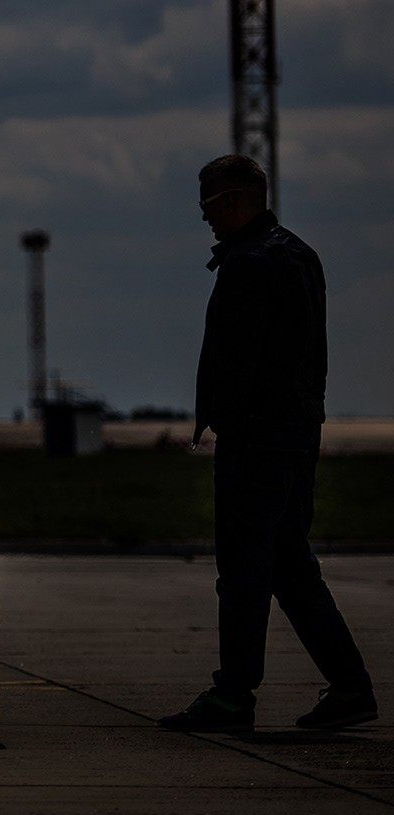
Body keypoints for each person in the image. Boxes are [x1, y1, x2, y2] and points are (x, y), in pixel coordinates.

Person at [160, 154, 376, 732]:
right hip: (299, 433)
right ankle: (351, 686)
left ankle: (234, 695)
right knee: (290, 564)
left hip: (257, 439)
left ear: (232, 201)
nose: (204, 219)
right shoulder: (301, 256)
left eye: (207, 206)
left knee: (244, 567)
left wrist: (223, 421)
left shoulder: (249, 264)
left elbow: (238, 359)